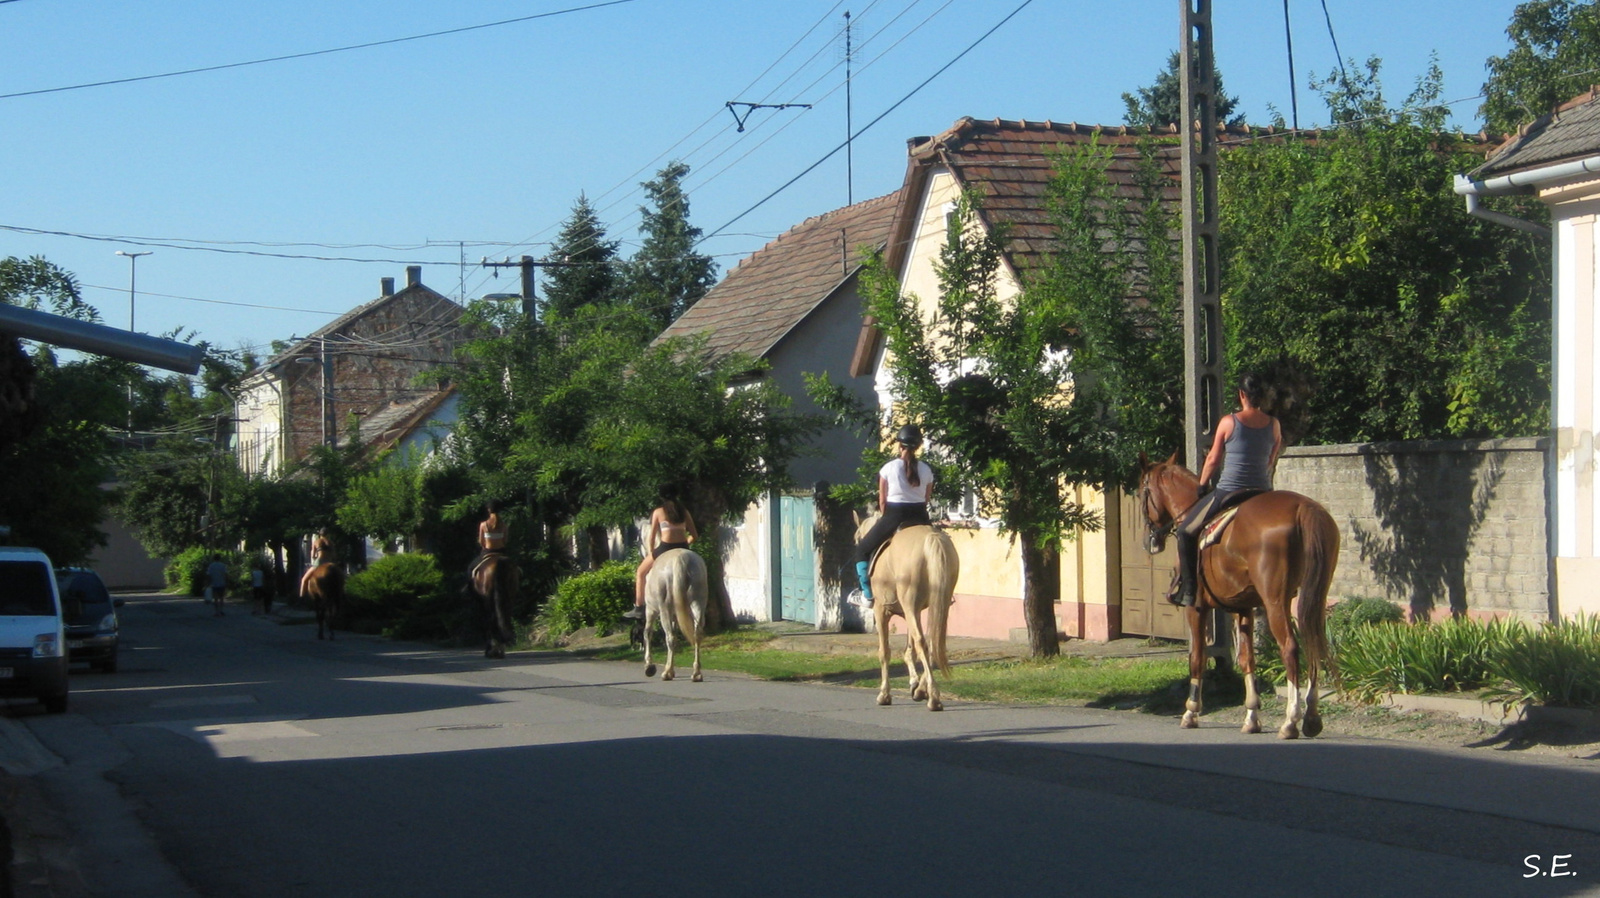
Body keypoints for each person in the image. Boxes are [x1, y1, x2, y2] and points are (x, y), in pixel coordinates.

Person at [1169, 372, 1283, 606]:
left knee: (1185, 532)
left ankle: (1189, 591)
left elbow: (1213, 458)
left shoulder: (1229, 422)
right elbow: (1271, 459)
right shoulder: (1274, 425)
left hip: (1230, 490)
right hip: (1262, 491)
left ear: (1242, 394)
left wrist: (1202, 485)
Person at [852, 424, 934, 608]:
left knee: (862, 550)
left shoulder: (888, 468)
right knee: (939, 544)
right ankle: (946, 593)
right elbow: (927, 498)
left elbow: (882, 500)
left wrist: (885, 515)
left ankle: (867, 595)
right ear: (918, 446)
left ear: (900, 445)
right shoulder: (927, 470)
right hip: (920, 515)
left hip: (894, 515)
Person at [623, 493, 699, 620]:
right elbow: (694, 535)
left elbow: (652, 536)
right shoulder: (684, 512)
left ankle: (639, 607)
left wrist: (651, 552)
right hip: (683, 547)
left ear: (662, 497)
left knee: (641, 572)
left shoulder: (658, 512)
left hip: (665, 547)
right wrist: (686, 542)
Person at [469, 500, 508, 585]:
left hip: (487, 551)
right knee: (517, 570)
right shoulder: (504, 525)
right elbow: (505, 541)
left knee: (471, 568)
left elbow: (481, 542)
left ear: (489, 510)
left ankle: (469, 591)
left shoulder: (484, 525)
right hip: (501, 551)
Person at [298, 530, 333, 601]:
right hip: (329, 562)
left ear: (320, 534)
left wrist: (315, 556)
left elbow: (313, 555)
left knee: (304, 579)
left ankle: (301, 599)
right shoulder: (331, 543)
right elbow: (334, 555)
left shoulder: (317, 541)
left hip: (319, 562)